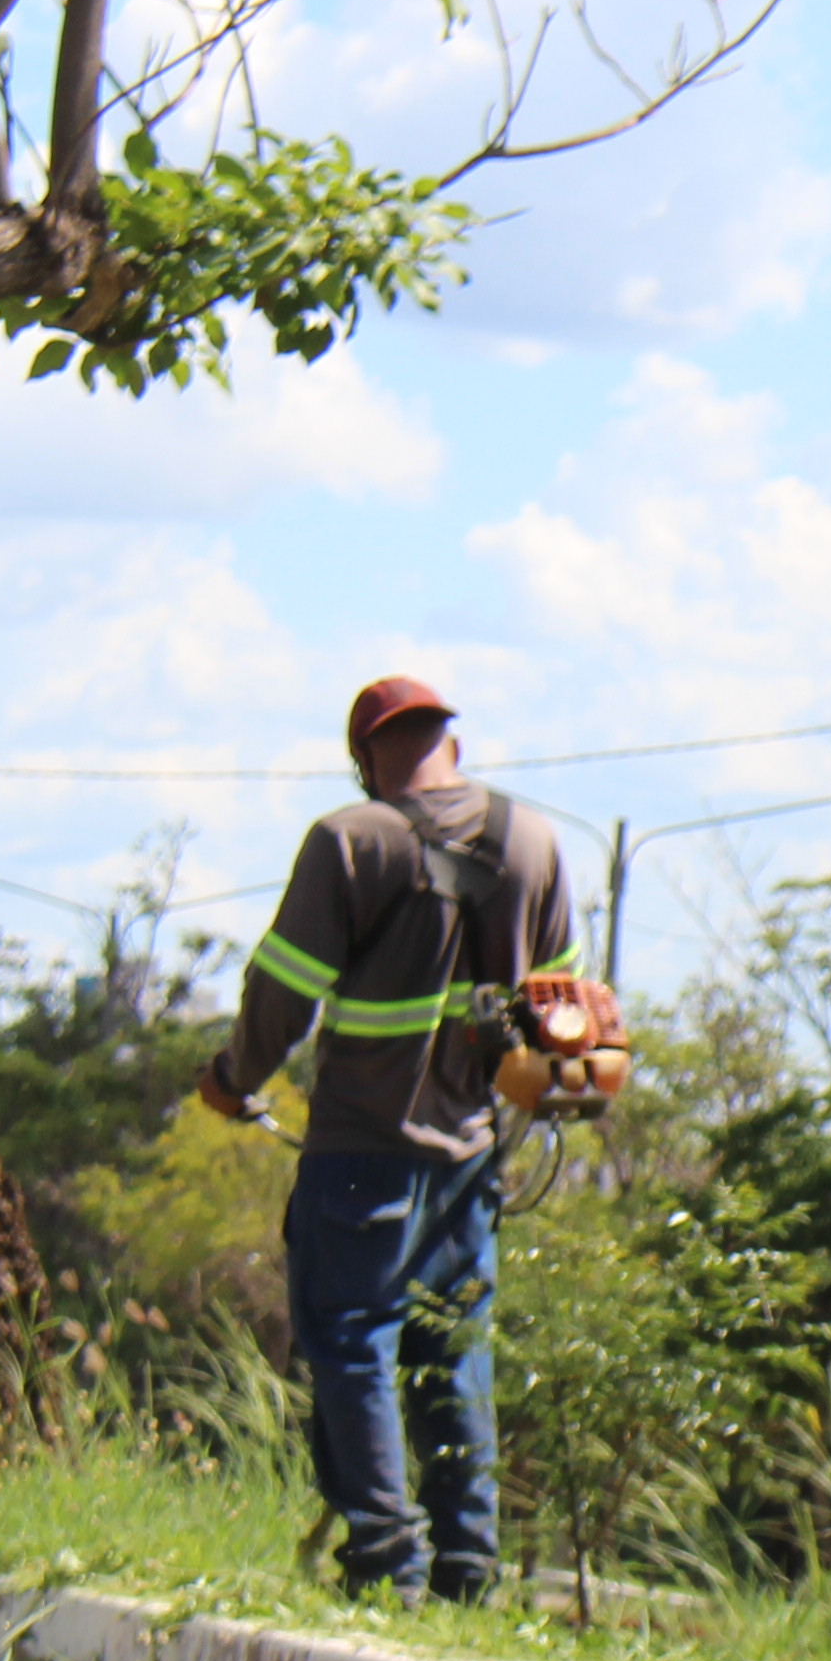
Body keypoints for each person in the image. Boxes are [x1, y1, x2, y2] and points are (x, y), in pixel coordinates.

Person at [197, 675, 572, 1601]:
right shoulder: (534, 840)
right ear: (448, 738)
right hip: (473, 1159)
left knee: (352, 1340)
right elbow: (561, 1006)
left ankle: (384, 1560)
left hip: (363, 1150)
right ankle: (467, 1568)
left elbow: (282, 993)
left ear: (368, 758)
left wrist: (232, 1080)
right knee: (455, 1352)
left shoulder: (349, 841)